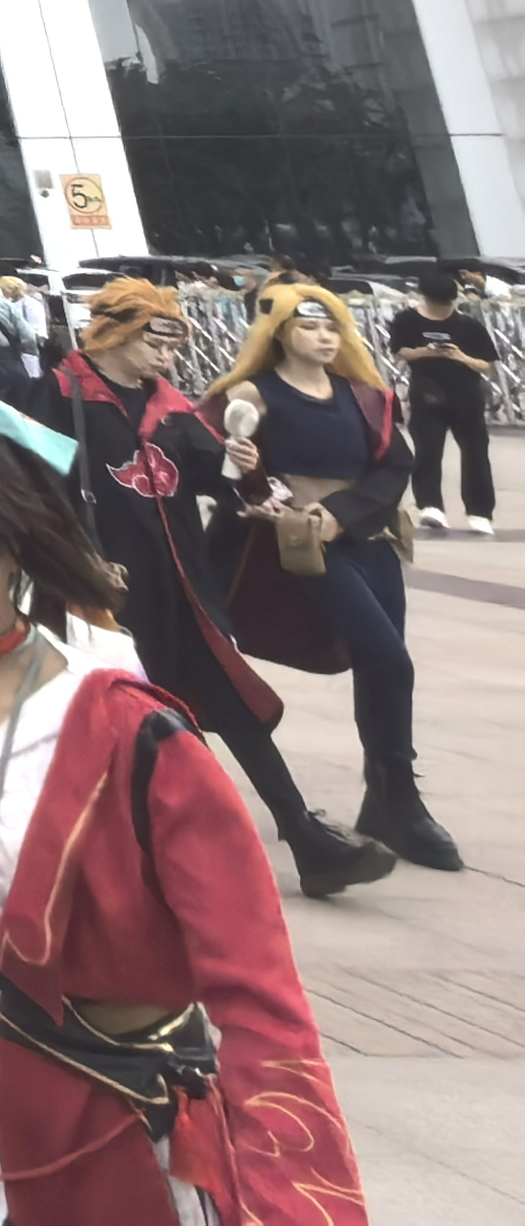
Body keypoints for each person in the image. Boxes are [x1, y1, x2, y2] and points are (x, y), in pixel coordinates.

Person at [0, 407, 366, 1226]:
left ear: (13, 536)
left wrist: (293, 1203)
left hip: (103, 1106)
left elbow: (259, 994)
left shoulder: (132, 729)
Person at [51, 278, 389, 899]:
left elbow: (224, 478)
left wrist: (247, 469)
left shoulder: (171, 408)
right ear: (114, 332)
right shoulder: (56, 397)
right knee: (129, 726)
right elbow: (20, 485)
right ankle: (142, 856)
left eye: (173, 344)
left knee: (235, 710)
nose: (166, 356)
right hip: (103, 599)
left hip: (184, 590)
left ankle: (306, 838)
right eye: (156, 341)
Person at [209, 280, 454, 874]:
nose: (324, 337)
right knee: (389, 657)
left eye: (332, 328)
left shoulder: (365, 396)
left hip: (369, 537)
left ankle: (390, 797)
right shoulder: (252, 394)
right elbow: (222, 464)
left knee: (383, 663)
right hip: (305, 547)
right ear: (280, 333)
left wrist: (342, 512)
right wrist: (263, 489)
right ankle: (397, 797)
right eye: (309, 326)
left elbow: (396, 464)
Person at [391, 264, 499, 535]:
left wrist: (460, 356)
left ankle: (479, 511)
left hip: (466, 396)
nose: (443, 311)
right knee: (428, 451)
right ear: (424, 298)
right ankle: (430, 507)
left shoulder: (469, 326)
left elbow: (487, 365)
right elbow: (401, 353)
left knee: (475, 453)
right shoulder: (407, 320)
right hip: (427, 393)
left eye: (448, 305)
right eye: (437, 306)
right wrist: (427, 352)